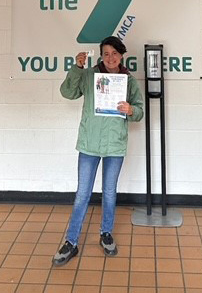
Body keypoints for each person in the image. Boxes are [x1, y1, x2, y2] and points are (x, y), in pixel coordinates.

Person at [52, 36, 143, 267]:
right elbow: (67, 92)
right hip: (89, 144)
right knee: (83, 194)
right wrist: (77, 68)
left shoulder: (129, 81)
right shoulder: (89, 75)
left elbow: (140, 111)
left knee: (109, 192)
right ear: (101, 56)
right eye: (106, 54)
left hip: (115, 144)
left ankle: (106, 233)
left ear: (121, 54)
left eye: (114, 53)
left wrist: (131, 109)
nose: (110, 58)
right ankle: (71, 242)